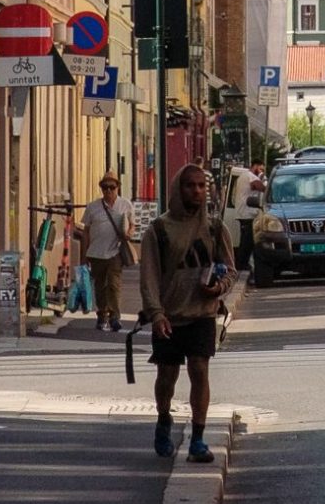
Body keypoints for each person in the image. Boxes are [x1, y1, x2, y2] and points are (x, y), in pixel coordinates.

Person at [140, 163, 235, 463]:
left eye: (201, 186)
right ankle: (164, 418)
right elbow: (150, 277)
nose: (196, 191)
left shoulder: (216, 228)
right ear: (178, 189)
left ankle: (197, 438)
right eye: (189, 186)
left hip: (202, 314)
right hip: (169, 316)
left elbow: (231, 270)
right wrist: (156, 314)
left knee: (200, 371)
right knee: (167, 377)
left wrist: (219, 288)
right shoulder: (159, 230)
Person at [74, 174, 137, 332]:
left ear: (118, 187)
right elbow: (86, 232)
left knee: (114, 285)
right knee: (100, 286)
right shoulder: (92, 207)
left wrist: (129, 232)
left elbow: (132, 225)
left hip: (115, 252)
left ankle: (115, 316)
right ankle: (102, 315)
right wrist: (84, 255)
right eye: (105, 187)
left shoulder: (125, 205)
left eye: (112, 187)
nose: (108, 190)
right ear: (101, 188)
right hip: (96, 253)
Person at [224, 164, 262, 268]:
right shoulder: (250, 176)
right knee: (247, 241)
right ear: (255, 166)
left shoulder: (242, 176)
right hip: (248, 214)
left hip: (243, 213)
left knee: (245, 240)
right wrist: (264, 179)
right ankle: (241, 264)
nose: (261, 171)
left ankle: (242, 263)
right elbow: (262, 187)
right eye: (260, 168)